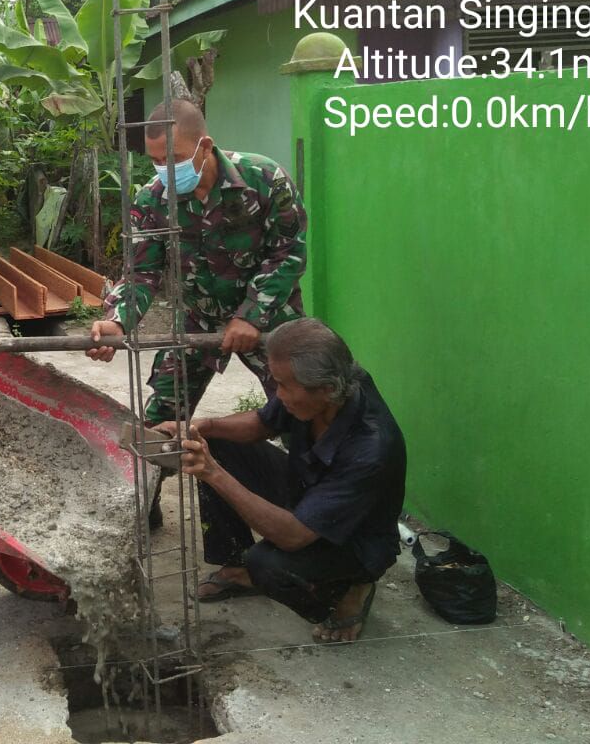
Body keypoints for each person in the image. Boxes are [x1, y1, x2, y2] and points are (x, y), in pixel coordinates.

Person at [86, 96, 307, 525]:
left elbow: (289, 253)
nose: (164, 171)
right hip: (196, 322)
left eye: (173, 158)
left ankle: (306, 512)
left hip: (269, 324)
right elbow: (141, 273)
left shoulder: (264, 179)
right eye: (153, 161)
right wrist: (117, 320)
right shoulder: (152, 199)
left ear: (205, 146)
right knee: (158, 422)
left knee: (299, 412)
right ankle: (141, 509)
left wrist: (251, 315)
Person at [179, 318, 406, 643]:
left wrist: (212, 473)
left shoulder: (371, 448)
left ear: (326, 389)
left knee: (268, 565)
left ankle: (349, 589)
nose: (277, 393)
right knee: (214, 440)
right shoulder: (324, 389)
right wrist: (203, 425)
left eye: (284, 385)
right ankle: (237, 565)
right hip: (307, 489)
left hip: (351, 540)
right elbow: (261, 423)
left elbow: (294, 537)